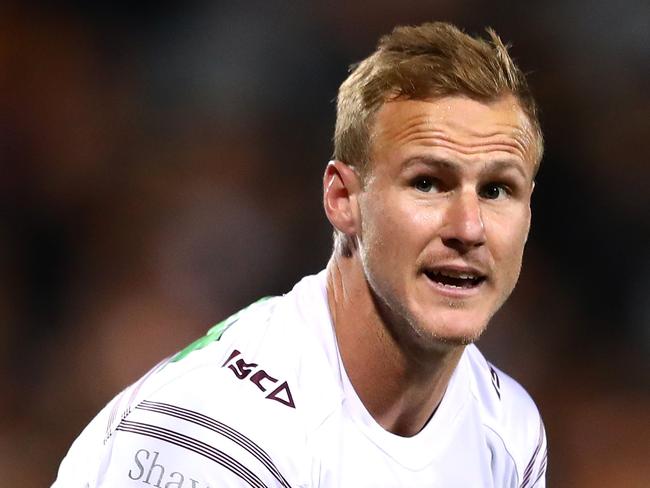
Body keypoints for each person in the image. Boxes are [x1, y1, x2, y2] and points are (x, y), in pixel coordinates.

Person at [52, 21, 547, 487]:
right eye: (427, 183)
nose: (467, 228)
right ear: (343, 200)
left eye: (498, 189)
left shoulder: (506, 431)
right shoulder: (222, 433)